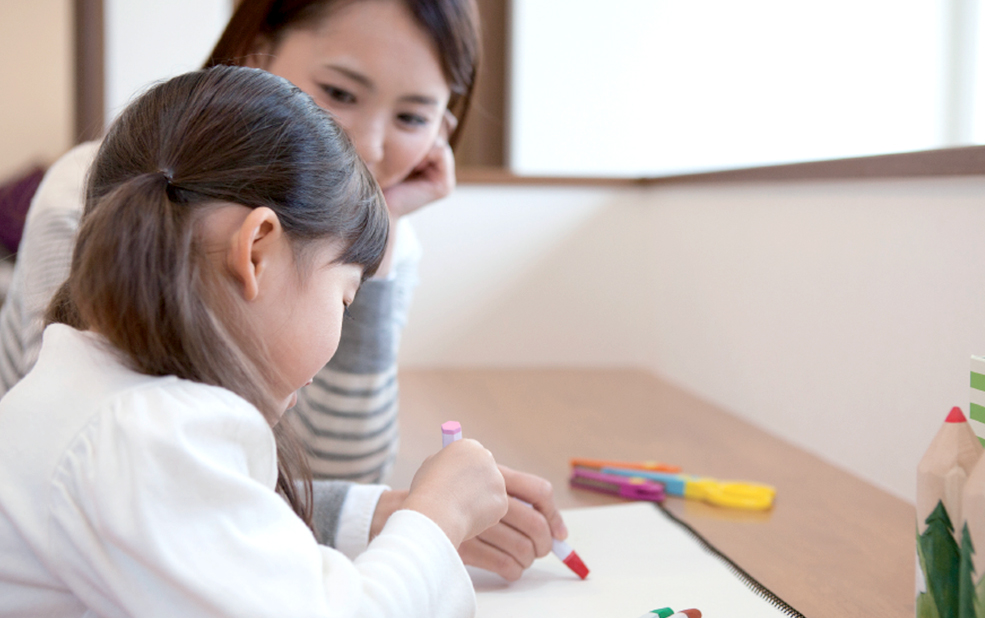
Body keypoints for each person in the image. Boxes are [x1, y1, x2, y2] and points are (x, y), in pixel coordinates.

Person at [0, 0, 566, 581]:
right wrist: (428, 520)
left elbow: (334, 466)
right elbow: (138, 487)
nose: (371, 147)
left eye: (412, 119)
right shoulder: (107, 193)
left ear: (443, 130)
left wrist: (371, 236)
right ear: (255, 54)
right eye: (341, 93)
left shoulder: (390, 234)